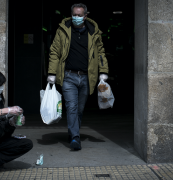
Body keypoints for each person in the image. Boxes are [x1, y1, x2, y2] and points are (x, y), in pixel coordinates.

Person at [47, 3, 109, 150]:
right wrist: (52, 73)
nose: (76, 18)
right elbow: (54, 52)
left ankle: (73, 132)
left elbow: (100, 52)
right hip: (69, 76)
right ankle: (75, 138)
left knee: (80, 109)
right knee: (72, 108)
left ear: (85, 16)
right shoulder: (63, 30)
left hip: (87, 77)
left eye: (79, 15)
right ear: (71, 14)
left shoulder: (93, 32)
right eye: (74, 15)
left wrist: (104, 71)